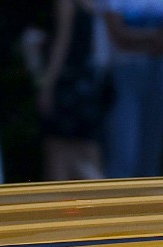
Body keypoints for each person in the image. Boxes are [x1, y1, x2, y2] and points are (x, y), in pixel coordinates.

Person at [101, 0, 163, 177]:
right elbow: (117, 34)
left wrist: (138, 38)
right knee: (124, 147)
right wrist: (156, 36)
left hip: (160, 70)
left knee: (153, 147)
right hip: (125, 69)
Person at [37, 0, 110, 181]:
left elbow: (62, 43)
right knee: (87, 151)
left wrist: (47, 85)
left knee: (58, 153)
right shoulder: (91, 5)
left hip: (68, 84)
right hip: (88, 83)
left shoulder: (66, 3)